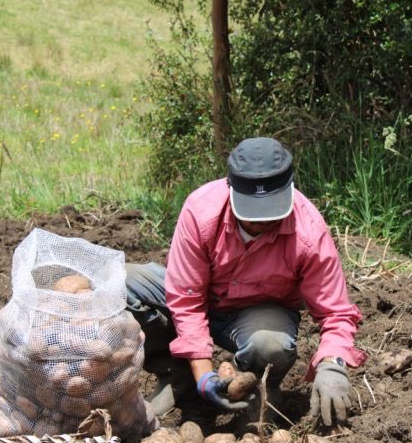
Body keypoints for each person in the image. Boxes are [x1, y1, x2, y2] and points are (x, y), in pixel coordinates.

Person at [125, 137, 367, 426]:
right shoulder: (201, 210)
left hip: (259, 317)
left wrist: (332, 364)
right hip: (201, 297)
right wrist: (203, 376)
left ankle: (259, 391)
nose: (263, 224)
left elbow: (335, 312)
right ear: (231, 190)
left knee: (270, 344)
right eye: (252, 215)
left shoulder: (309, 230)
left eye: (272, 213)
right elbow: (187, 300)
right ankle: (177, 375)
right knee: (118, 285)